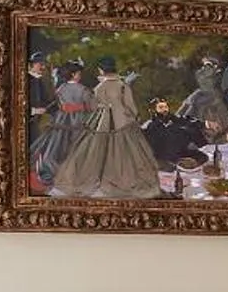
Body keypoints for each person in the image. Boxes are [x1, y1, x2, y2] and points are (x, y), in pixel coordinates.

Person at [52, 58, 165, 199]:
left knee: (95, 151)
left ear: (101, 70)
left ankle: (99, 180)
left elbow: (94, 106)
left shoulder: (99, 87)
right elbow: (130, 106)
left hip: (102, 123)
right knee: (129, 152)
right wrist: (134, 116)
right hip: (123, 122)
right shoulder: (122, 85)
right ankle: (125, 179)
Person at [29, 62, 93, 190]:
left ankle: (58, 174)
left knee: (58, 147)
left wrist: (65, 107)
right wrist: (80, 107)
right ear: (74, 75)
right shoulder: (83, 90)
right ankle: (73, 176)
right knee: (75, 148)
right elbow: (92, 107)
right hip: (77, 122)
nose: (80, 76)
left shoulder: (61, 88)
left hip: (61, 121)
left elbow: (57, 103)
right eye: (79, 73)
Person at [178, 53, 228, 137]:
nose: (205, 67)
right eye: (204, 64)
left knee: (197, 103)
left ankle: (188, 120)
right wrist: (207, 68)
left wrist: (211, 68)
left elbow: (212, 82)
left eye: (208, 64)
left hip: (213, 94)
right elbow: (199, 77)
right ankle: (178, 117)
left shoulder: (218, 73)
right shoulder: (202, 72)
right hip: (202, 91)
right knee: (188, 101)